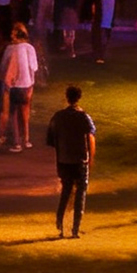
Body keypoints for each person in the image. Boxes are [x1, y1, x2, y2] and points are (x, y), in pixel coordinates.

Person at [46, 85, 97, 239]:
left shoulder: (57, 117)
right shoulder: (84, 117)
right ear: (79, 97)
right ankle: (75, 228)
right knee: (80, 194)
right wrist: (91, 159)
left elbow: (50, 140)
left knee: (66, 192)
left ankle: (61, 224)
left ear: (66, 97)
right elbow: (91, 137)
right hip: (80, 160)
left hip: (63, 160)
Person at [0, 23, 39, 152]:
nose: (11, 36)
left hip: (15, 85)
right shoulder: (30, 48)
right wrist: (31, 81)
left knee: (13, 114)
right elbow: (34, 67)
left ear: (17, 35)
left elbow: (4, 65)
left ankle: (16, 142)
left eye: (13, 33)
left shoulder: (11, 49)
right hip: (28, 84)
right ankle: (26, 139)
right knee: (25, 112)